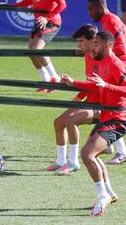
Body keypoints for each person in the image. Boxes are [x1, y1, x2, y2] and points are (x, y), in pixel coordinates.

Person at [61, 30, 126, 217]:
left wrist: (107, 86)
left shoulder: (116, 65)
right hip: (106, 118)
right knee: (93, 155)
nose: (93, 48)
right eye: (93, 44)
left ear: (107, 45)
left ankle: (102, 196)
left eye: (96, 44)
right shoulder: (101, 63)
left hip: (118, 119)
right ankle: (109, 192)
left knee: (87, 154)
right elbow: (95, 85)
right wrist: (73, 83)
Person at [87, 0, 126, 164]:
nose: (89, 13)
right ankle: (109, 145)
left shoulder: (111, 21)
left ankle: (122, 152)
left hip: (124, 69)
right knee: (107, 107)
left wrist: (98, 54)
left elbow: (122, 49)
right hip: (120, 68)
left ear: (100, 7)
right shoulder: (108, 21)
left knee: (112, 110)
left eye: (91, 9)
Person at [46, 24, 100, 175]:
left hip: (103, 106)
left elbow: (97, 86)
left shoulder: (100, 58)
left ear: (92, 40)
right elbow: (90, 83)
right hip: (90, 101)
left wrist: (73, 83)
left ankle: (74, 162)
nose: (79, 45)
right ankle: (60, 161)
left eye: (82, 41)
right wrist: (79, 96)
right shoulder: (88, 55)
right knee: (58, 122)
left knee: (71, 120)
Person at [13, 0, 66, 92]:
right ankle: (46, 81)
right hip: (40, 22)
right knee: (30, 51)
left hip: (52, 22)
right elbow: (30, 0)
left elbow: (62, 4)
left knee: (36, 49)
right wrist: (11, 5)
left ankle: (55, 79)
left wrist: (47, 18)